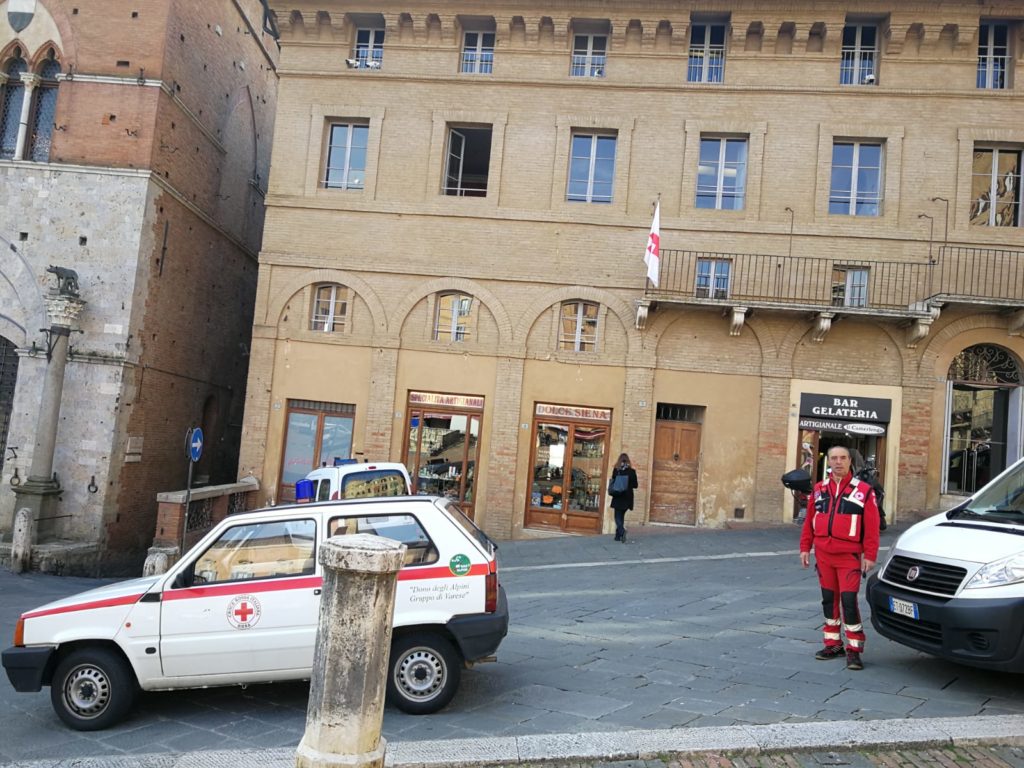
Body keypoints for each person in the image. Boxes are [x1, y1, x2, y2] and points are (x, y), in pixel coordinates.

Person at [799, 445, 880, 671]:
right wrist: (805, 547)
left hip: (849, 557)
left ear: (849, 461)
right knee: (828, 600)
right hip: (823, 555)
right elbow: (809, 522)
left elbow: (872, 527)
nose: (838, 462)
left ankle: (854, 650)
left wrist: (870, 555)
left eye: (842, 458)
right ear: (829, 462)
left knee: (848, 602)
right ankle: (833, 644)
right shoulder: (818, 489)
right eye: (833, 458)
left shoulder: (864, 490)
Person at [608, 453, 638, 543]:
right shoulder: (632, 472)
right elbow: (635, 485)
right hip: (628, 498)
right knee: (621, 516)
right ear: (628, 461)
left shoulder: (616, 470)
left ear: (619, 460)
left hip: (618, 496)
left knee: (617, 517)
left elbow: (613, 481)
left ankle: (622, 531)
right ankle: (618, 536)